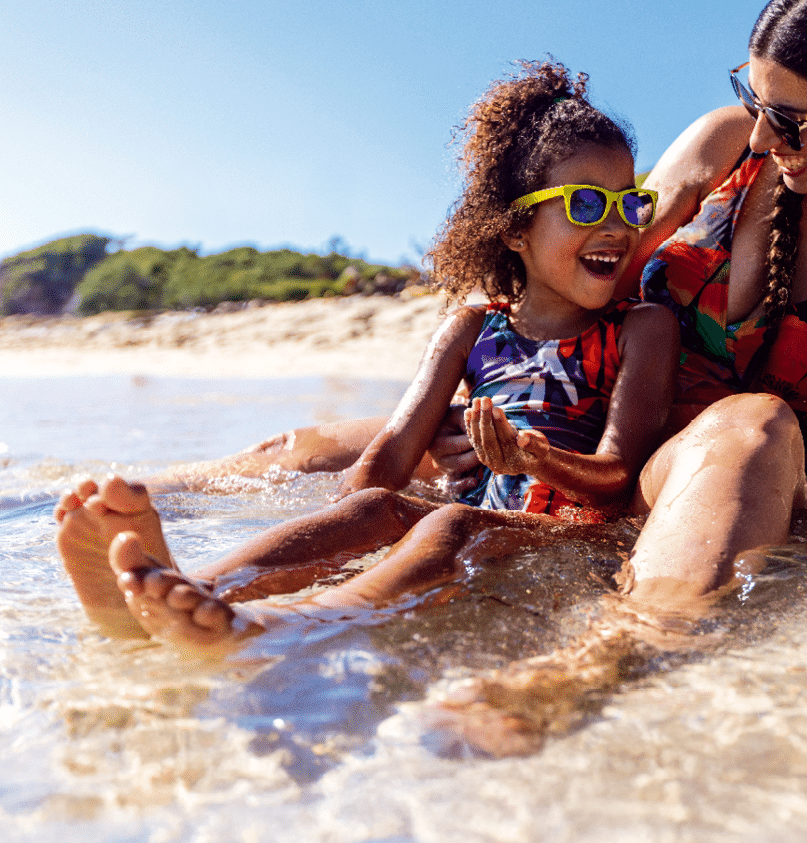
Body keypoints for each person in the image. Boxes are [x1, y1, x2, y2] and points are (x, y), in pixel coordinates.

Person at [55, 61, 677, 645]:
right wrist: (341, 525)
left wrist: (533, 458)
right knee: (380, 506)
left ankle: (282, 626)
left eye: (629, 202)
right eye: (587, 203)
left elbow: (618, 477)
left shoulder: (639, 329)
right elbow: (390, 456)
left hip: (569, 534)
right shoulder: (472, 330)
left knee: (451, 524)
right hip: (478, 520)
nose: (618, 226)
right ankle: (195, 588)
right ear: (513, 229)